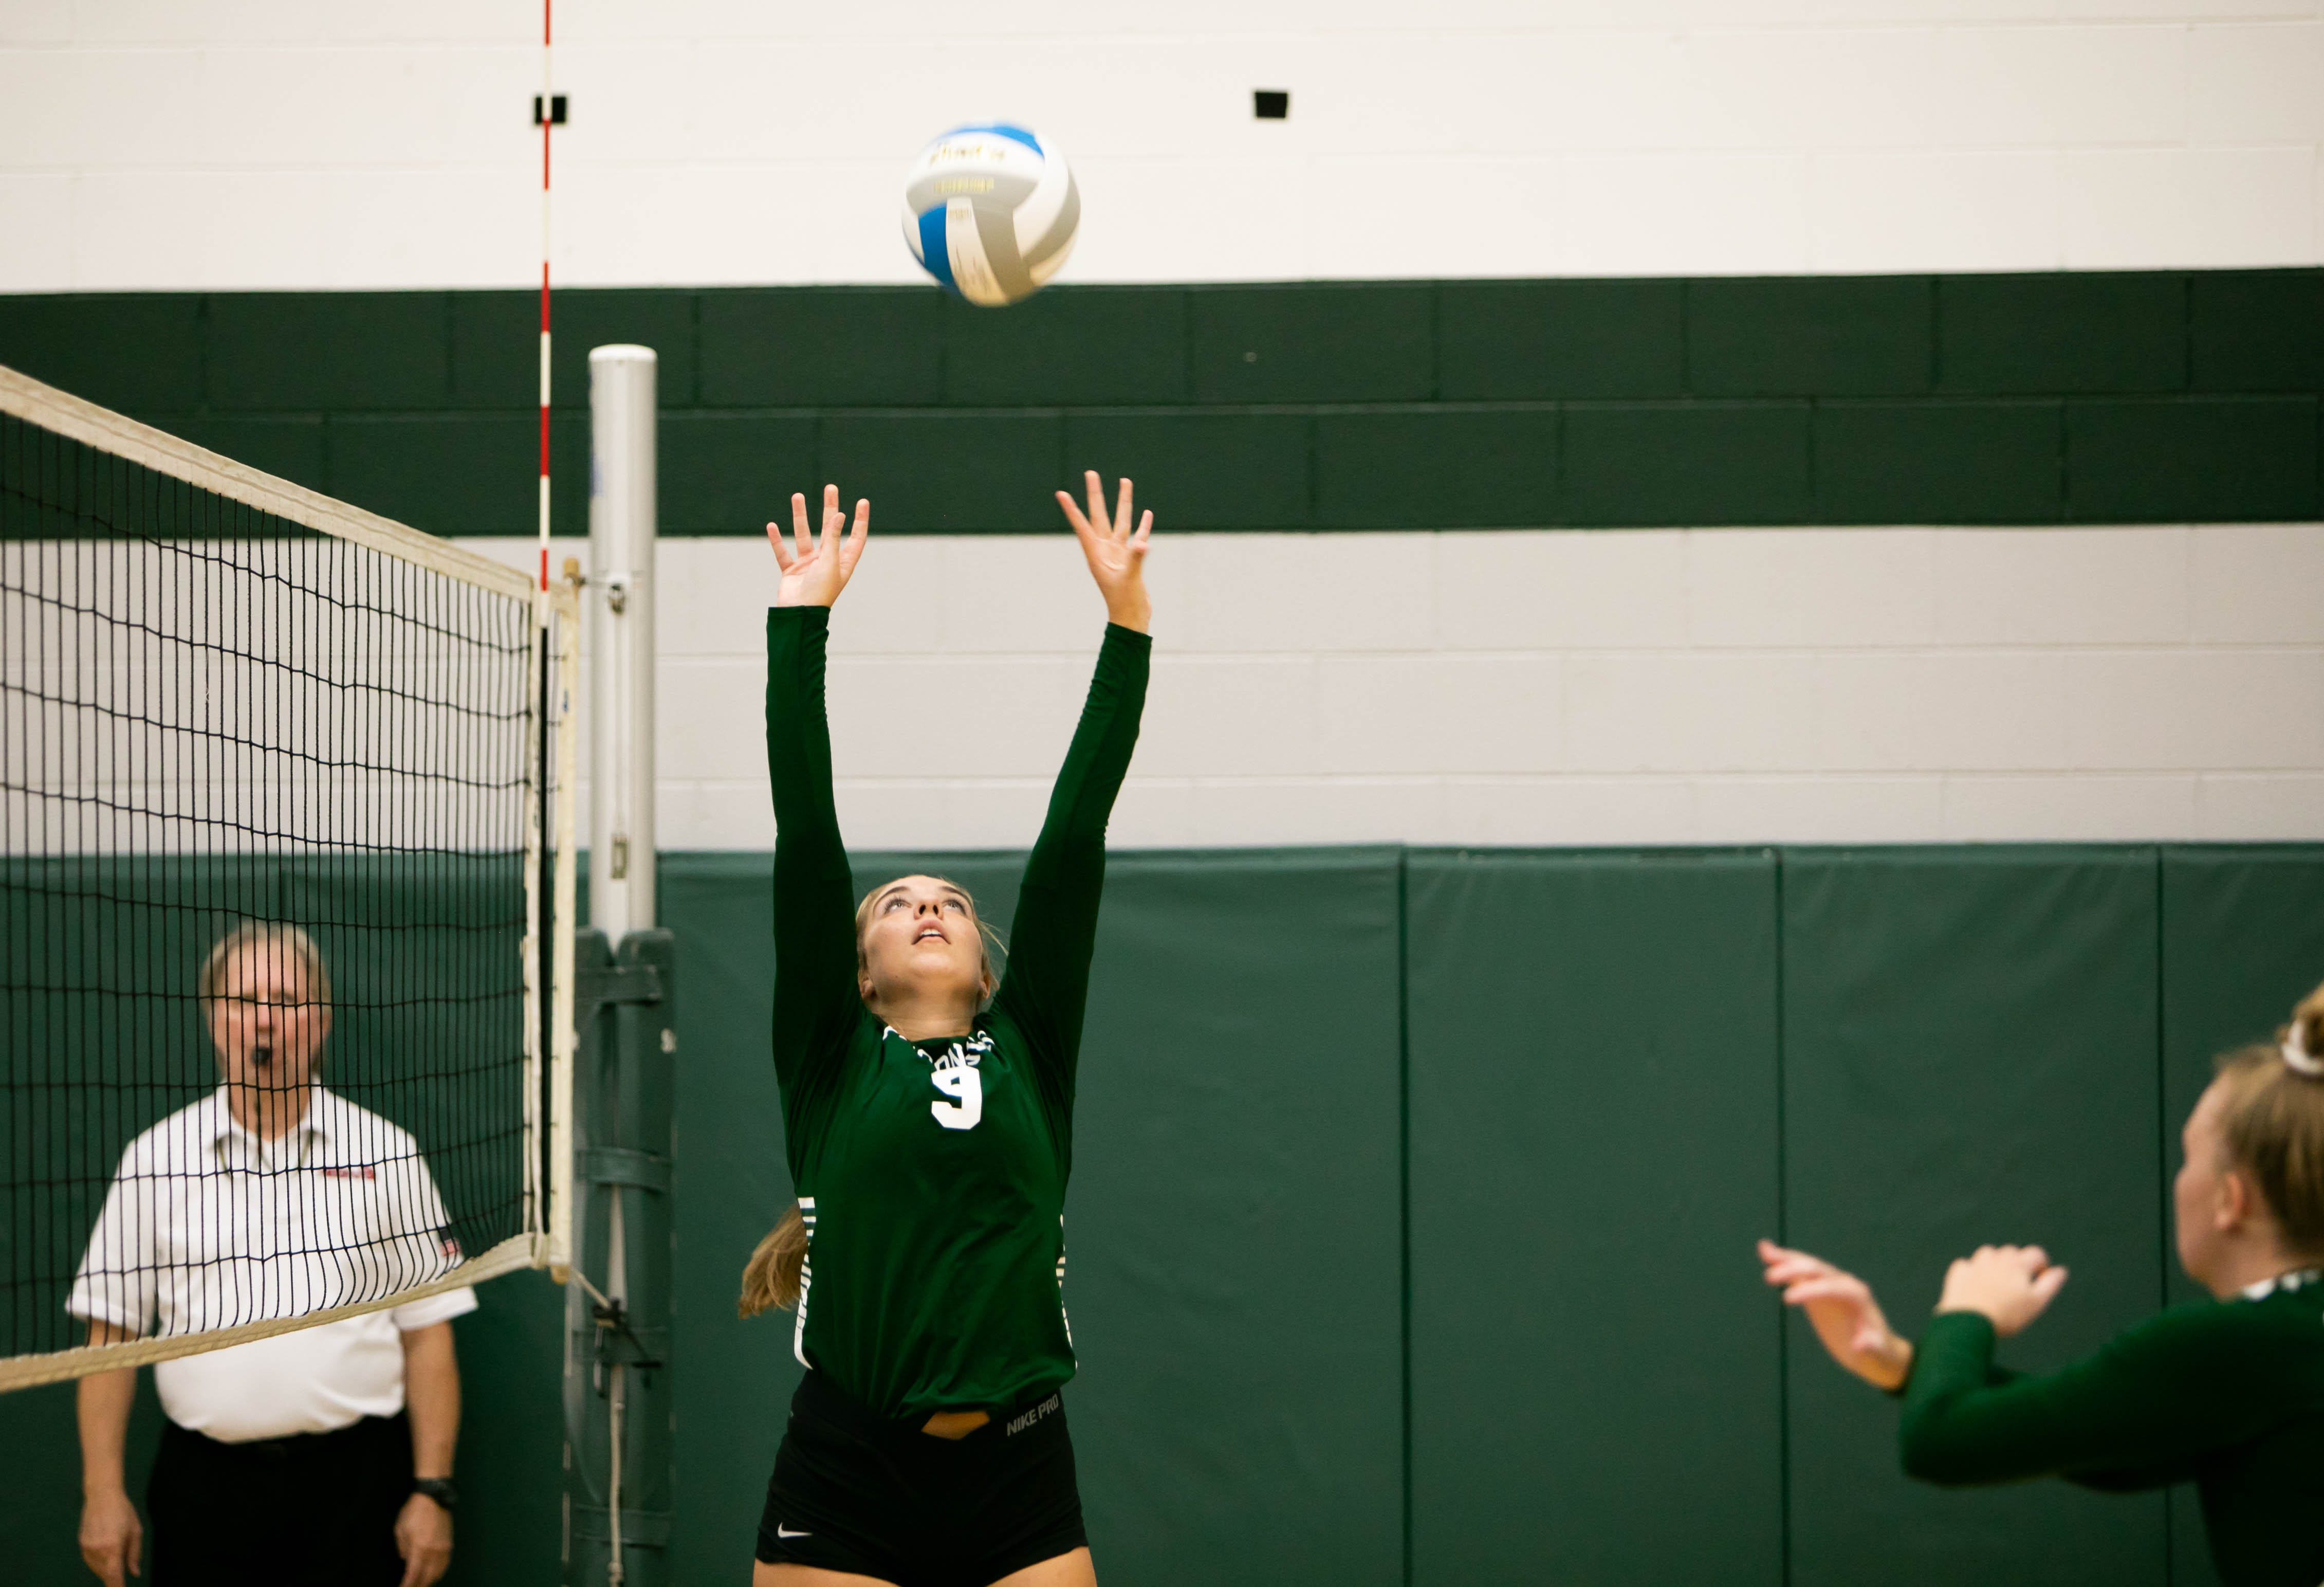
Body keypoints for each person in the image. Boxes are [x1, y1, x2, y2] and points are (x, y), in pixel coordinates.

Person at [739, 472, 1152, 1587]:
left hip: (1017, 1463)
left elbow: (1073, 839)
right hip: (847, 1462)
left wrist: (1126, 623)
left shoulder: (1032, 1052)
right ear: (861, 972)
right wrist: (799, 620)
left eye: (951, 903)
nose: (926, 905)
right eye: (896, 903)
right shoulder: (831, 1065)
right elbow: (806, 831)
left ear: (982, 965)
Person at [1760, 983, 2324, 1587]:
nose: (2178, 1180)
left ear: (2228, 1200)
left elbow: (1942, 1443)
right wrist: (1906, 1365)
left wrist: (1967, 1314)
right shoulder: (2277, 1344)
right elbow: (2112, 1448)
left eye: (2188, 1159)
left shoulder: (2237, 1343)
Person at [69, 921, 474, 1587]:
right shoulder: (154, 1159)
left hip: (356, 1484)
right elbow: (108, 1336)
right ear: (212, 1020)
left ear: (321, 1021)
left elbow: (428, 1333)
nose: (266, 1021)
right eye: (243, 1000)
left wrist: (433, 1489)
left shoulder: (388, 1151)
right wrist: (101, 1491)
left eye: (286, 1001)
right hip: (206, 1489)